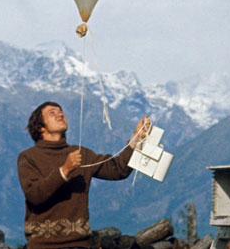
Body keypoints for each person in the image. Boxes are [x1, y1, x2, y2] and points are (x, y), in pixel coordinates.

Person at [17, 101, 150, 249]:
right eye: (52, 113)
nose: (60, 114)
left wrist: (136, 138)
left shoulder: (82, 154)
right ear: (40, 127)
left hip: (79, 244)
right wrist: (64, 170)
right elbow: (34, 195)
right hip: (42, 245)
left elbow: (118, 169)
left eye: (61, 112)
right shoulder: (28, 157)